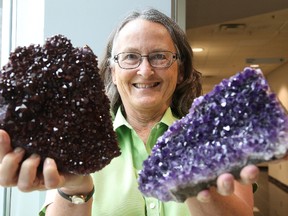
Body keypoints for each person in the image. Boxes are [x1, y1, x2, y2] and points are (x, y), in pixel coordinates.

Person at [0, 8, 260, 216]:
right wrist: (75, 187)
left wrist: (197, 184)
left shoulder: (219, 139)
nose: (145, 71)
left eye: (159, 56)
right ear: (112, 71)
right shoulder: (77, 144)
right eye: (130, 57)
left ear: (180, 71)